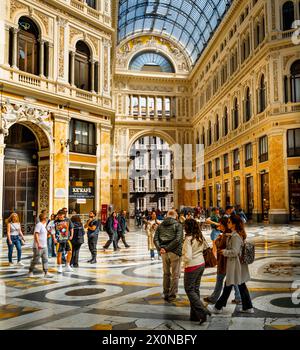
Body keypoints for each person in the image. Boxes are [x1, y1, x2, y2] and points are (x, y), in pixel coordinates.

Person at [208, 215, 254, 314]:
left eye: (229, 222)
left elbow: (235, 251)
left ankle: (218, 307)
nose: (227, 223)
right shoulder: (234, 235)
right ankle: (248, 307)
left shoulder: (236, 236)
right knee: (239, 286)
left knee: (228, 286)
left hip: (235, 266)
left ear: (234, 224)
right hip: (236, 265)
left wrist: (224, 252)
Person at [203, 217, 241, 305]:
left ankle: (214, 298)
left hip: (224, 261)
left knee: (220, 279)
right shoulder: (228, 234)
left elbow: (221, 246)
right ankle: (238, 297)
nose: (219, 226)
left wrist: (217, 240)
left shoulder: (225, 235)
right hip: (227, 260)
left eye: (221, 224)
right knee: (233, 280)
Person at [183, 219, 211, 325]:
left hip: (192, 266)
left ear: (187, 227)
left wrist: (183, 259)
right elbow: (206, 247)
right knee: (195, 289)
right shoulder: (199, 236)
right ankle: (195, 315)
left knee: (189, 289)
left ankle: (202, 310)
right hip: (201, 264)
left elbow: (188, 256)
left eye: (185, 226)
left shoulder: (188, 239)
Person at [154, 210, 184, 302]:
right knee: (175, 275)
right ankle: (172, 295)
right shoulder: (178, 225)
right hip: (175, 252)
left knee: (166, 274)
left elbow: (155, 239)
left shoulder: (160, 225)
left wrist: (161, 249)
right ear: (175, 216)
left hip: (164, 253)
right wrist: (167, 248)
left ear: (167, 216)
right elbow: (178, 240)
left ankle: (165, 292)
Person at [28, 213, 53, 278]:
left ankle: (46, 272)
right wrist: (38, 244)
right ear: (45, 219)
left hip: (44, 246)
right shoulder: (39, 225)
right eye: (46, 218)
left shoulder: (43, 226)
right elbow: (36, 234)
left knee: (45, 259)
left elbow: (43, 235)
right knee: (35, 260)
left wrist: (49, 234)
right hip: (38, 246)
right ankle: (30, 271)